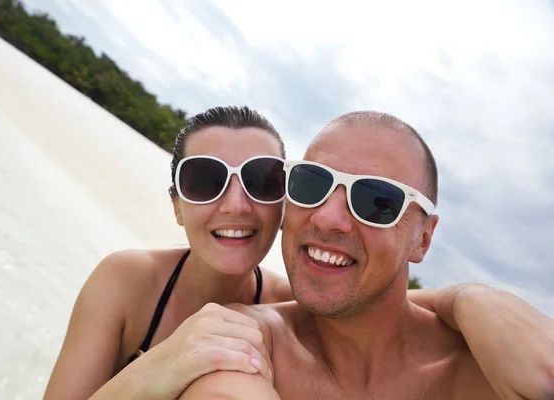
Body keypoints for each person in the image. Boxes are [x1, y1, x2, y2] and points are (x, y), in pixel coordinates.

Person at [178, 110, 554, 400]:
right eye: (311, 183)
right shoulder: (247, 340)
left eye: (377, 201)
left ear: (423, 239)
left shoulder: (490, 369)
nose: (327, 218)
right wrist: (465, 298)